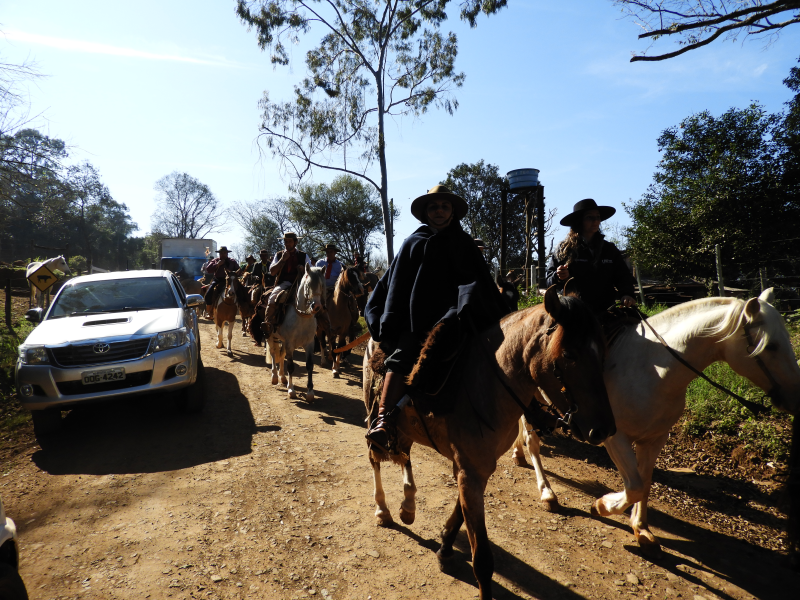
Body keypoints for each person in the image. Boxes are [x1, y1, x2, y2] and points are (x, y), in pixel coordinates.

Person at [364, 185, 510, 452]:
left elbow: (477, 281)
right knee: (401, 355)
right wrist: (391, 319)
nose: (439, 211)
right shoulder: (412, 243)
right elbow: (395, 285)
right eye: (434, 207)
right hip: (415, 322)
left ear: (452, 211)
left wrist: (468, 302)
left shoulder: (464, 243)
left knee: (495, 355)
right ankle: (384, 420)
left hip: (456, 318)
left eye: (445, 206)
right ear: (426, 212)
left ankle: (529, 410)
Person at [545, 198, 635, 313]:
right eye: (590, 217)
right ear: (579, 221)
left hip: (607, 311)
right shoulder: (564, 249)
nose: (596, 221)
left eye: (598, 217)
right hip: (574, 313)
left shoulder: (609, 249)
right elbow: (548, 281)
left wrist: (627, 294)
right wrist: (558, 276)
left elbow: (623, 276)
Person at [263, 233, 312, 335]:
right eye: (285, 241)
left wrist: (304, 270)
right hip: (283, 284)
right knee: (272, 298)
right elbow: (272, 272)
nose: (287, 244)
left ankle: (316, 329)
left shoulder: (303, 255)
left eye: (289, 241)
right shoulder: (279, 255)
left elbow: (311, 272)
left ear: (295, 242)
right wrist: (282, 260)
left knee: (315, 301)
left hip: (301, 284)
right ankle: (268, 324)